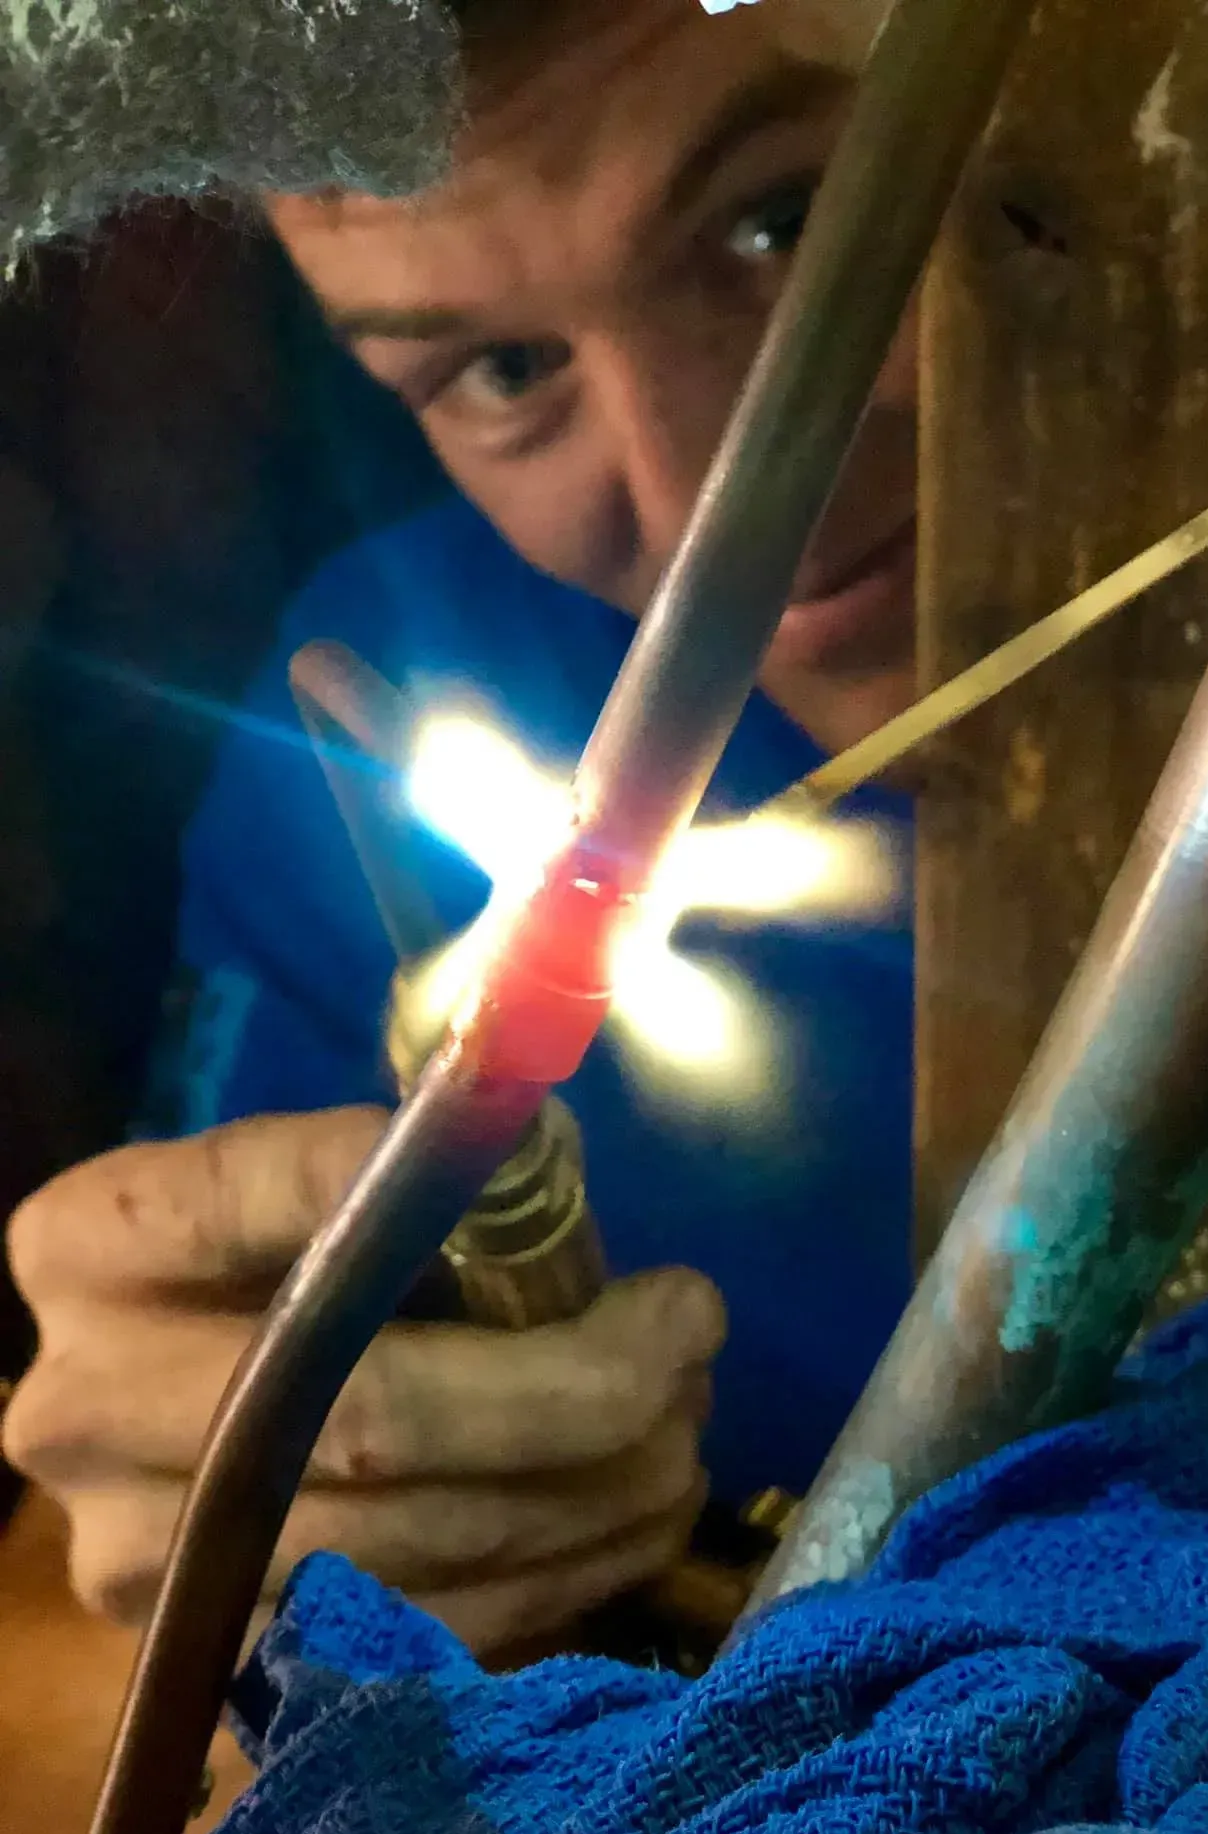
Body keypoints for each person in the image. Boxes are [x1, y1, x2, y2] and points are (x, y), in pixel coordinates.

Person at [2, 0, 963, 1655]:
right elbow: (50, 1717)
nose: (704, 503)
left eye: (789, 220)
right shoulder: (377, 726)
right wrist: (236, 1558)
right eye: (504, 371)